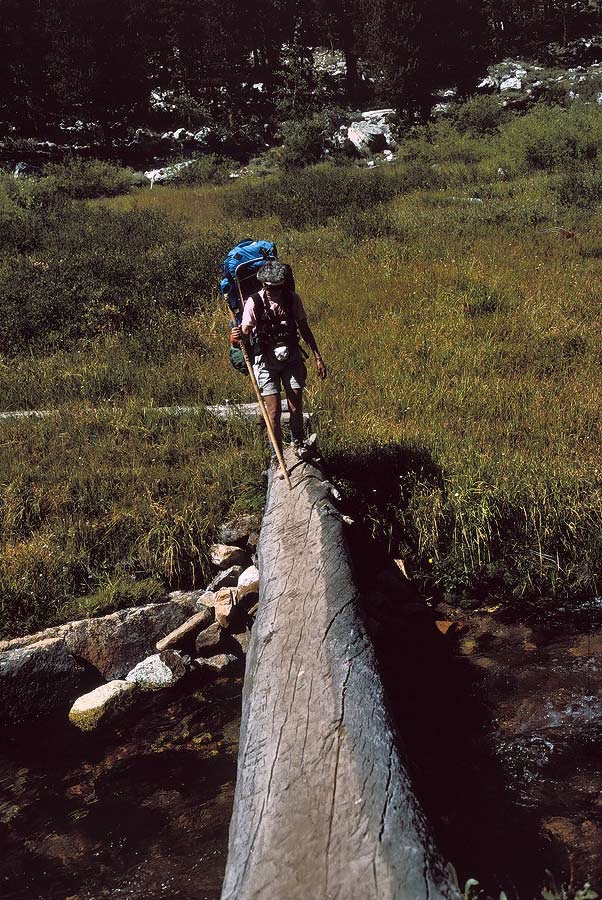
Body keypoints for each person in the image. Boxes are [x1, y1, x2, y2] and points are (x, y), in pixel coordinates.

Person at [230, 260, 327, 459]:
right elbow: (245, 333)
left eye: (277, 287)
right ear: (263, 285)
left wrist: (318, 357)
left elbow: (304, 329)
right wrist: (235, 338)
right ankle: (276, 454)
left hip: (291, 357)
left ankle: (298, 443)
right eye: (269, 287)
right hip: (265, 360)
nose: (274, 291)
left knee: (295, 405)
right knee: (273, 412)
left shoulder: (293, 300)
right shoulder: (253, 303)